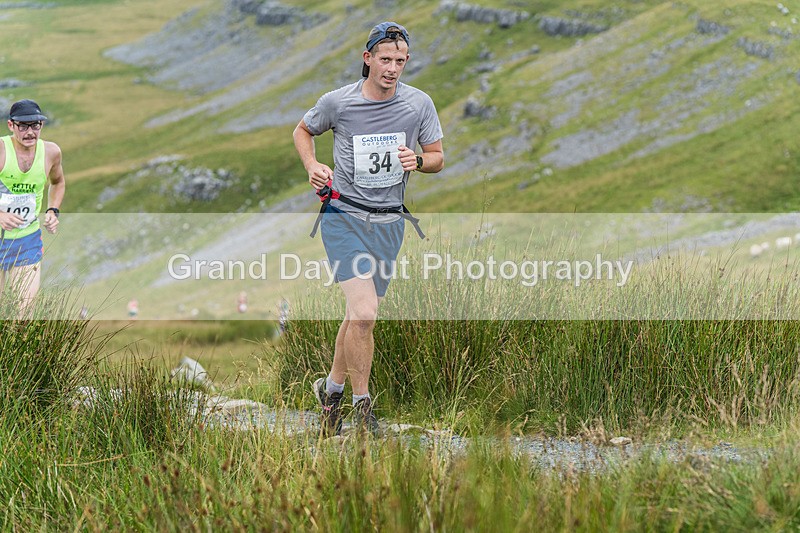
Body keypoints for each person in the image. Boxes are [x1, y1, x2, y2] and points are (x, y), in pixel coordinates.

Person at [293, 21, 444, 437]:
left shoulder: (418, 104)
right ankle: (363, 411)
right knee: (364, 314)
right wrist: (312, 165)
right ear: (368, 58)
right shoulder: (338, 102)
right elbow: (303, 130)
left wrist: (418, 161)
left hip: (390, 222)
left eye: (400, 61)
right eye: (385, 60)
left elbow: (437, 157)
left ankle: (330, 395)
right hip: (343, 216)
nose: (392, 68)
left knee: (357, 319)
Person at [0, 99, 65, 313]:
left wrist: (53, 210)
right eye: (23, 126)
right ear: (11, 125)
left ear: (41, 125)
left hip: (27, 240)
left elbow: (58, 182)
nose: (30, 132)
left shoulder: (51, 152)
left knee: (25, 312)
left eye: (35, 125)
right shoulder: (1, 150)